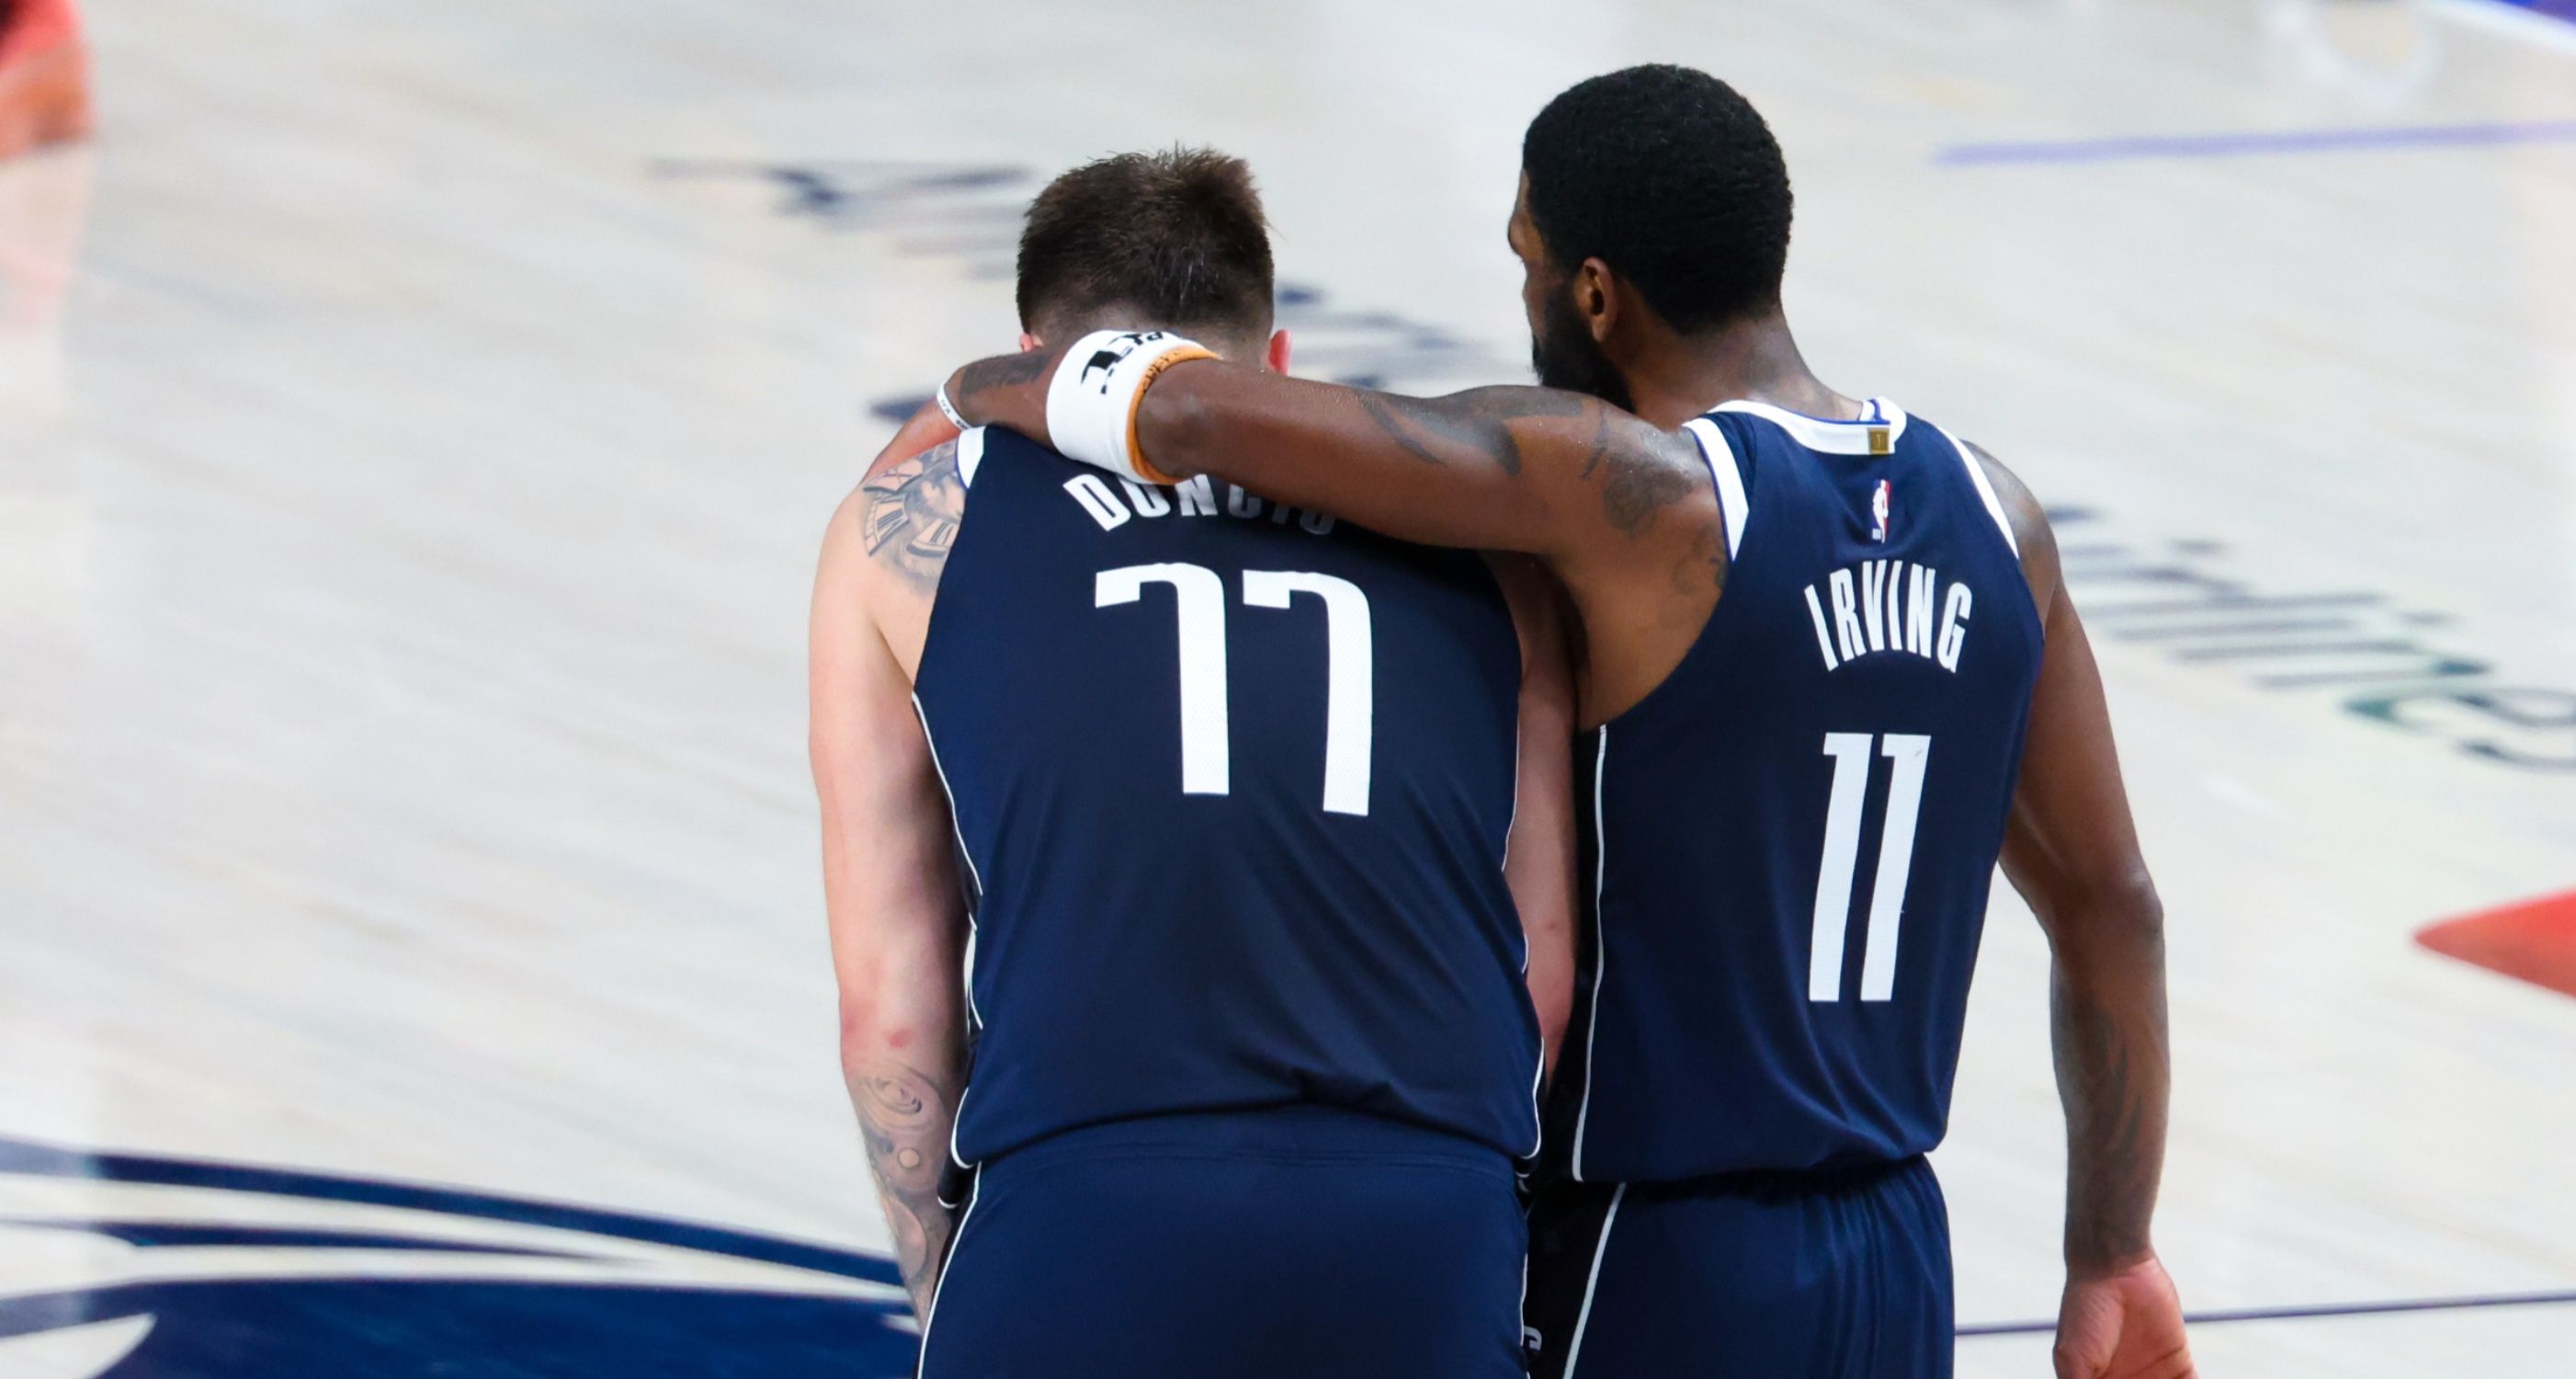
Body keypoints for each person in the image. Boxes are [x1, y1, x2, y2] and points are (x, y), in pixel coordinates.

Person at [932, 66, 2195, 1379]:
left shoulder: (1631, 495)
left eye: (1528, 263)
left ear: (1594, 294)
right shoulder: (2002, 522)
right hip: (1892, 1257)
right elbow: (2117, 908)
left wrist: (992, 387)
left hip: (1657, 1249)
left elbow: (1189, 411)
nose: (1525, 298)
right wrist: (2113, 1253)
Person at [808, 148, 1578, 1378]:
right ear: (1276, 360)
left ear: (1032, 359)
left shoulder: (907, 530)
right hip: (1413, 1214)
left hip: (1088, 1199)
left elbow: (888, 1013)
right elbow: (1540, 978)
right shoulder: (1485, 540)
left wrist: (945, 1282)